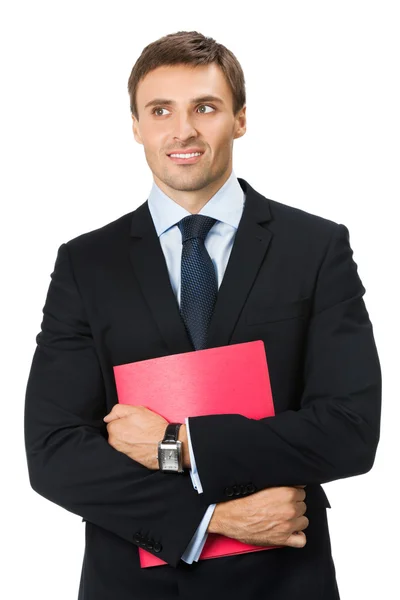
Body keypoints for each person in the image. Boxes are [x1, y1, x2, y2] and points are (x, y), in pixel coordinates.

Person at [24, 30, 381, 600]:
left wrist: (179, 442)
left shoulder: (314, 248)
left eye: (205, 108)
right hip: (134, 586)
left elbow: (350, 430)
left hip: (284, 580)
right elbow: (54, 452)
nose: (182, 130)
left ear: (240, 118)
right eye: (160, 110)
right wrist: (211, 521)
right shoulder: (86, 264)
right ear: (136, 126)